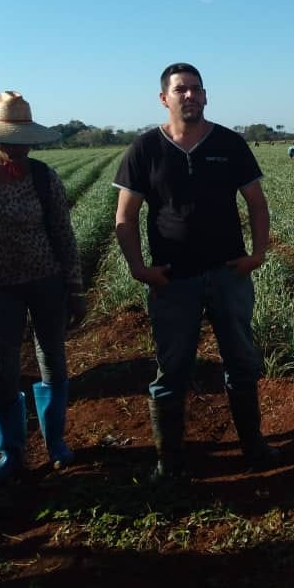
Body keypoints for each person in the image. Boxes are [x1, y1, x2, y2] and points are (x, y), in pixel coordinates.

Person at [113, 63, 277, 482]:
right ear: (164, 98)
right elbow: (126, 217)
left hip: (227, 273)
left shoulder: (229, 143)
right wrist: (138, 269)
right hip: (174, 280)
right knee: (172, 368)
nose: (189, 96)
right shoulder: (145, 149)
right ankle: (169, 460)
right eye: (180, 90)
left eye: (196, 90)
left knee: (241, 361)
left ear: (205, 96)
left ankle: (253, 446)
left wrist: (256, 254)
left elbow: (256, 203)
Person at [0, 91, 86, 482]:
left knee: (52, 361)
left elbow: (63, 234)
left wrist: (75, 286)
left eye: (25, 140)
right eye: (12, 140)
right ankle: (11, 452)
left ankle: (55, 443)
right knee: (3, 372)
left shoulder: (43, 176)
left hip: (46, 280)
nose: (20, 148)